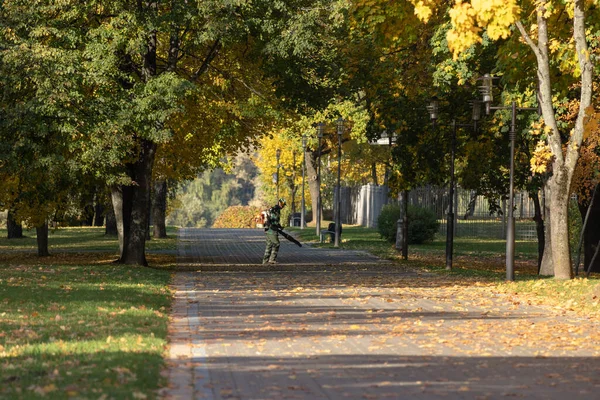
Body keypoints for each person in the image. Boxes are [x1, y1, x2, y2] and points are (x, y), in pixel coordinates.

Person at [262, 198, 286, 264]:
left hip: (267, 229)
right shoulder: (276, 210)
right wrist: (277, 226)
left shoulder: (273, 209)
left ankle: (265, 261)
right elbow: (274, 220)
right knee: (276, 243)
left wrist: (279, 226)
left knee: (269, 245)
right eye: (282, 204)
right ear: (279, 203)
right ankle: (272, 259)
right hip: (271, 230)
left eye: (283, 205)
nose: (283, 206)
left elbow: (274, 221)